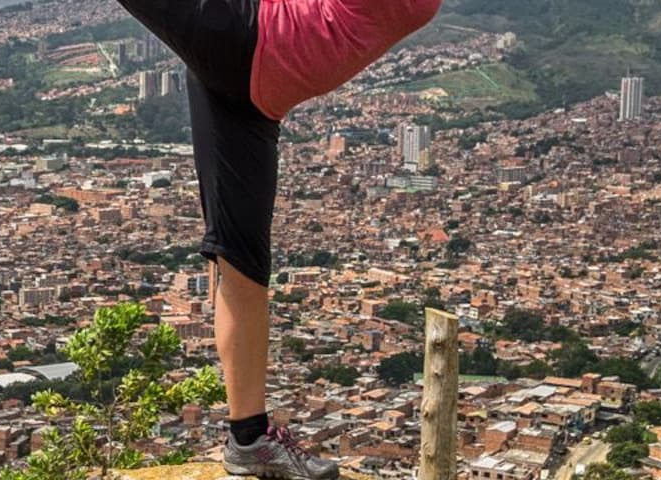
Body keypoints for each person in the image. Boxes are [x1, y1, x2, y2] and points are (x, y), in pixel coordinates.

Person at [111, 0, 441, 477]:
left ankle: (248, 440)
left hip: (251, 71)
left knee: (243, 264)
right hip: (251, 55)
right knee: (242, 264)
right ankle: (251, 437)